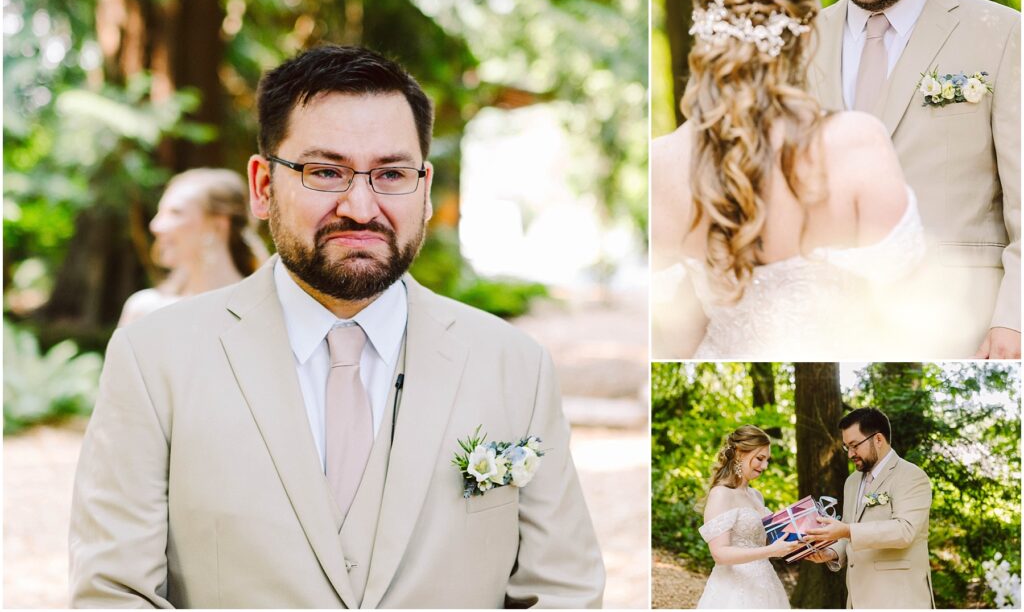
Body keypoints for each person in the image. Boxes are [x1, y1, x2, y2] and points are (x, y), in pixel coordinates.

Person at [69, 45, 605, 608]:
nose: (361, 206)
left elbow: (563, 590)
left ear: (424, 189)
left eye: (392, 174)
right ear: (262, 186)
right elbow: (112, 593)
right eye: (326, 172)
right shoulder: (154, 359)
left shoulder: (516, 366)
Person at [651, 0, 924, 358]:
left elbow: (670, 334)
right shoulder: (857, 143)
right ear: (808, 30)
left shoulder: (663, 165)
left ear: (705, 26)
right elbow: (911, 312)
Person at [809, 0, 1021, 359]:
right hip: (824, 324)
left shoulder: (1002, 35)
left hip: (958, 327)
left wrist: (1013, 320)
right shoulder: (801, 41)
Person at [804, 407, 934, 608]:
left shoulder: (911, 476)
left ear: (878, 440)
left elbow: (904, 531)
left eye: (855, 445)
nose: (850, 454)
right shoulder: (852, 482)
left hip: (899, 599)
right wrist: (832, 552)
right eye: (847, 447)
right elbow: (849, 531)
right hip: (858, 599)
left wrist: (847, 530)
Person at [118, 168, 267, 326]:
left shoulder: (260, 311)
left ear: (217, 226)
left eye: (175, 212)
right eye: (160, 213)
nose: (155, 226)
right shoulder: (144, 310)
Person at [696, 425, 800, 609]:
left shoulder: (756, 495)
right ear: (739, 453)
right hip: (734, 588)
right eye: (760, 458)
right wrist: (771, 551)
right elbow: (719, 553)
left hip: (766, 584)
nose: (765, 466)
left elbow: (765, 541)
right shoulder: (721, 494)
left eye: (767, 460)